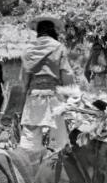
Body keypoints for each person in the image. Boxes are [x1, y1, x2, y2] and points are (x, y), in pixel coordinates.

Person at [18, 15, 75, 152]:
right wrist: (70, 96)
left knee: (30, 138)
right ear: (53, 31)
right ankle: (57, 167)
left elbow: (24, 80)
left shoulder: (28, 50)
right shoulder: (59, 48)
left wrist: (24, 98)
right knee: (59, 138)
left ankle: (29, 166)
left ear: (38, 31)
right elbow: (67, 74)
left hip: (34, 97)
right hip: (54, 97)